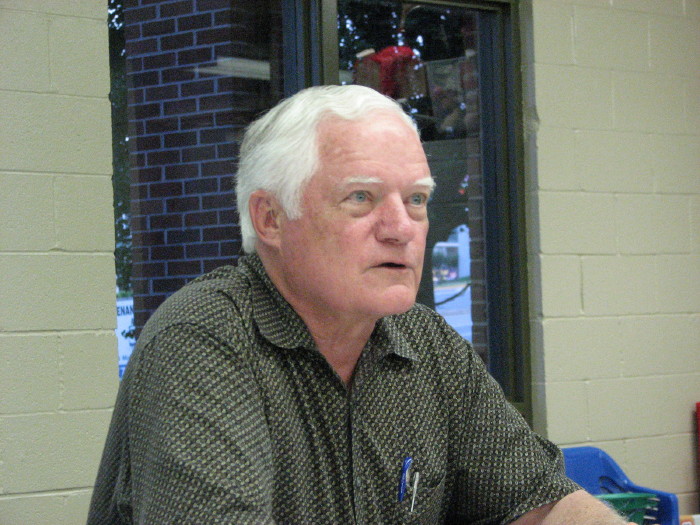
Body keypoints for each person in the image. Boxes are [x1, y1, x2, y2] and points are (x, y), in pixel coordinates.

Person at [88, 85, 632, 524]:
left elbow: (545, 505)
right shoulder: (202, 343)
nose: (401, 228)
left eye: (416, 199)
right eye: (361, 198)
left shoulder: (427, 345)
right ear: (270, 219)